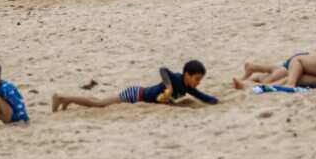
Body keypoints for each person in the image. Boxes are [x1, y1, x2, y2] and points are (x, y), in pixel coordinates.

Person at [233, 23, 316, 89]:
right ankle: (253, 83)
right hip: (302, 61)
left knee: (279, 71)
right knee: (282, 71)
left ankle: (254, 71)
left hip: (304, 61)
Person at [52, 60, 218, 111]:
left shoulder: (188, 87)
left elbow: (202, 97)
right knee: (99, 104)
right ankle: (61, 97)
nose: (198, 83)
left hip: (140, 96)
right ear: (186, 74)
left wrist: (217, 102)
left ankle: (69, 100)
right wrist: (169, 87)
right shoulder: (175, 78)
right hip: (135, 95)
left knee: (98, 101)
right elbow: (163, 69)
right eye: (196, 79)